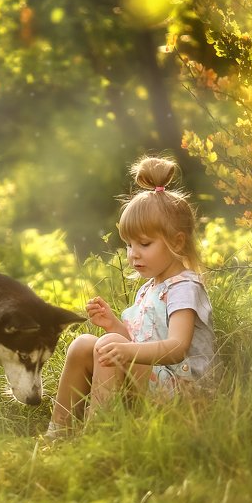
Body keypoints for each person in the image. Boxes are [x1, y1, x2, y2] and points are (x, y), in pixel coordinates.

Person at [46, 155, 216, 438]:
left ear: (176, 242)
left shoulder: (184, 287)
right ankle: (57, 433)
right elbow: (140, 343)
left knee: (111, 345)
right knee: (84, 344)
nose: (133, 253)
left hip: (185, 394)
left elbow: (176, 347)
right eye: (128, 244)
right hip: (154, 382)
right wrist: (114, 326)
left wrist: (122, 347)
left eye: (145, 244)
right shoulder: (149, 287)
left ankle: (98, 437)